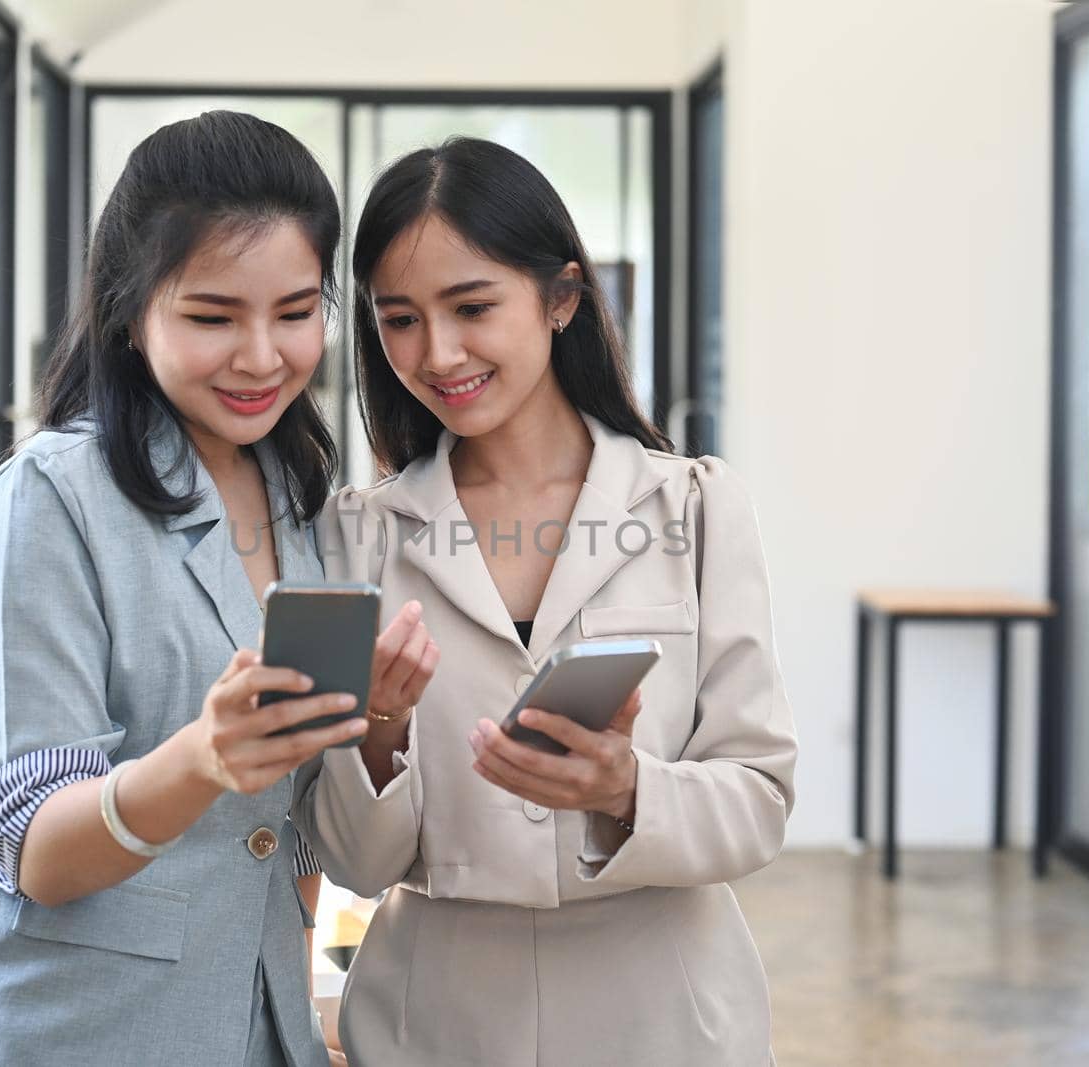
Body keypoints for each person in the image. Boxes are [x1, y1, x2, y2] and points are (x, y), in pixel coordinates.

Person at [0, 111, 432, 1067]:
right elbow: (35, 852)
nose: (263, 356)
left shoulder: (305, 503)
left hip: (252, 1020)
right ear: (129, 308)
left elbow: (291, 833)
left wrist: (382, 725)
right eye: (212, 316)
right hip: (61, 1027)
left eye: (296, 311)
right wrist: (203, 757)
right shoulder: (50, 499)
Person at [295, 137, 798, 1065]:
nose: (437, 352)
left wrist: (626, 789)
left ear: (562, 297)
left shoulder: (694, 506)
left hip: (668, 1019)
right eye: (399, 318)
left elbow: (759, 797)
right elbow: (348, 862)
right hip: (432, 1022)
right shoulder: (352, 537)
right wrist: (376, 728)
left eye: (472, 305)